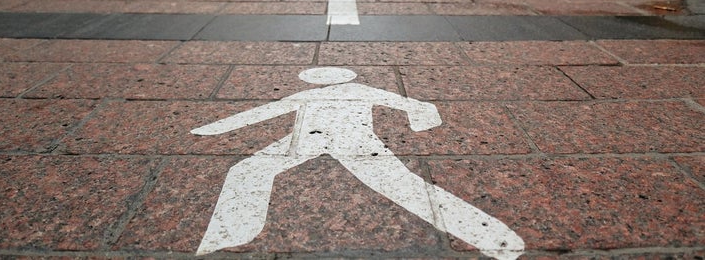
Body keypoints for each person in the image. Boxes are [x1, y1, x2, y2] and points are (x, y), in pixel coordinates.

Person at [191, 67, 524, 259]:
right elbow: (261, 113)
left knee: (402, 186)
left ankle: (490, 236)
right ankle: (231, 233)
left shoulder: (359, 89)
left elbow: (414, 104)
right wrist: (213, 129)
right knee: (247, 169)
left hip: (355, 143)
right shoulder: (309, 95)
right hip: (307, 140)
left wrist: (423, 124)